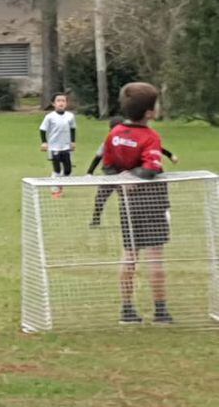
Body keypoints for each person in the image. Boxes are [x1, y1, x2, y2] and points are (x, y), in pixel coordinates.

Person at [102, 82, 172, 324]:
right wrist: (136, 178)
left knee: (129, 253)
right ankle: (161, 311)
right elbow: (152, 167)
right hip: (152, 198)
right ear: (149, 113)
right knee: (155, 255)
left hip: (127, 200)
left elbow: (108, 166)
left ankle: (127, 309)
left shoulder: (115, 133)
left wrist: (122, 180)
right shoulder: (151, 136)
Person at [87, 116, 178, 227]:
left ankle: (153, 214)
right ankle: (96, 218)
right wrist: (90, 172)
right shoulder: (109, 141)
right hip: (114, 174)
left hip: (131, 174)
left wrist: (170, 155)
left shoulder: (135, 139)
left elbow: (157, 147)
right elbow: (98, 157)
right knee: (101, 196)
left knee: (133, 196)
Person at [39, 93, 77, 199]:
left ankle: (59, 184)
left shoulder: (70, 116)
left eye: (63, 101)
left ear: (66, 103)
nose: (61, 103)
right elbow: (42, 129)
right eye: (58, 101)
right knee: (57, 170)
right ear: (53, 103)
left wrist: (73, 142)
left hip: (66, 147)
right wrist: (44, 142)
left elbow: (73, 128)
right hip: (54, 147)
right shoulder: (49, 117)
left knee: (68, 171)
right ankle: (55, 190)